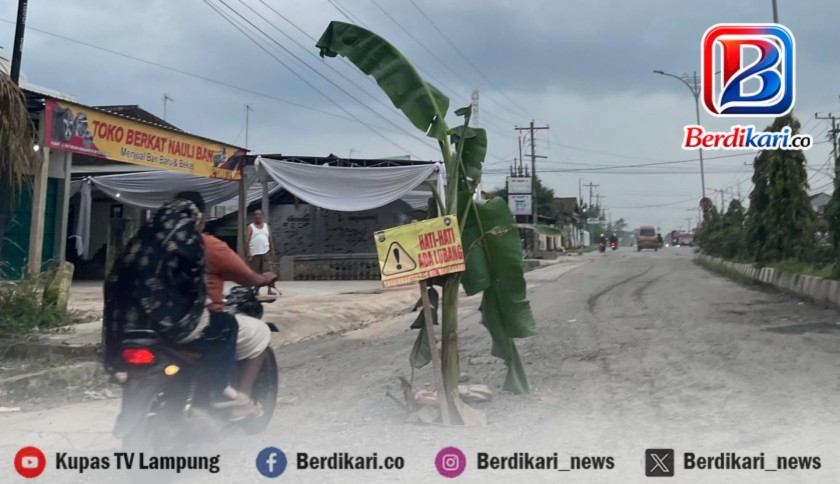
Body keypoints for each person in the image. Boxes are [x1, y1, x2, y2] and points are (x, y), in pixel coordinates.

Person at [103, 197, 247, 412]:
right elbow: (194, 291)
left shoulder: (139, 240)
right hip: (166, 327)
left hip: (122, 329)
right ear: (198, 217)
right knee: (226, 325)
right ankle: (217, 389)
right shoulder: (188, 241)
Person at [175, 192, 277, 421]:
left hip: (152, 326)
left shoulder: (153, 244)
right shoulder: (208, 246)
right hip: (195, 324)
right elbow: (246, 276)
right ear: (201, 220)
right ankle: (238, 401)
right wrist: (264, 278)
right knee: (257, 333)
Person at [245, 210, 276, 295]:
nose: (257, 216)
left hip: (265, 252)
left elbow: (270, 238)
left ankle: (270, 290)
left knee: (269, 273)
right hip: (254, 253)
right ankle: (256, 290)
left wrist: (272, 249)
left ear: (263, 216)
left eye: (259, 214)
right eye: (255, 215)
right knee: (256, 273)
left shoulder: (266, 226)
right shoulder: (251, 227)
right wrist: (248, 252)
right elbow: (246, 240)